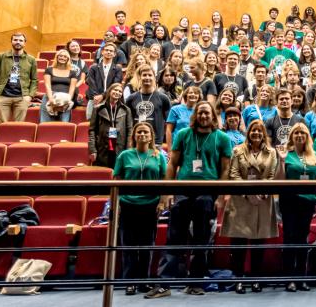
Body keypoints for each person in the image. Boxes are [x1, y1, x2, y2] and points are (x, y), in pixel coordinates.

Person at [147, 101, 233, 298]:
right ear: (195, 115)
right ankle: (164, 284)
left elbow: (226, 169)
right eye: (200, 113)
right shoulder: (184, 134)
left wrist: (221, 196)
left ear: (213, 116)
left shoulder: (221, 138)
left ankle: (195, 282)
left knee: (202, 239)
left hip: (208, 192)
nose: (203, 116)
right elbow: (172, 164)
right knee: (174, 237)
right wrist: (167, 192)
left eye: (207, 113)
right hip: (183, 190)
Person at [223, 119, 278, 294]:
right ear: (248, 133)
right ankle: (238, 278)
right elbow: (233, 173)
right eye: (253, 131)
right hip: (241, 200)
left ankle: (256, 278)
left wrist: (261, 193)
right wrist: (248, 193)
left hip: (262, 201)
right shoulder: (238, 150)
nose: (256, 134)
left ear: (264, 134)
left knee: (258, 242)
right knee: (238, 242)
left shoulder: (272, 152)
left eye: (259, 131)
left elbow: (271, 175)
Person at [113, 122, 167, 296]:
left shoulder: (158, 156)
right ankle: (130, 282)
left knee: (146, 245)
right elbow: (116, 180)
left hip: (150, 205)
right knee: (128, 245)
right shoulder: (124, 155)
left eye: (146, 132)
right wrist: (116, 203)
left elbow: (165, 179)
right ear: (134, 136)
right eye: (139, 132)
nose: (142, 134)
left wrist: (162, 202)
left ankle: (143, 281)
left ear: (151, 136)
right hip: (128, 205)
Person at [278, 122, 316, 292]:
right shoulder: (286, 154)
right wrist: (281, 162)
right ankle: (289, 278)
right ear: (292, 137)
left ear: (307, 136)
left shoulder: (315, 156)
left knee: (303, 238)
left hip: (308, 202)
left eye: (302, 133)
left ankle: (301, 277)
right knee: (289, 237)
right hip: (290, 200)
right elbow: (279, 180)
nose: (299, 136)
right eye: (296, 133)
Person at [0, 32, 37, 123]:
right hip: (3, 96)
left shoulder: (31, 59)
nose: (18, 42)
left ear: (24, 43)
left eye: (20, 40)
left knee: (18, 125)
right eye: (15, 40)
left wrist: (29, 96)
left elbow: (34, 80)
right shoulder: (1, 57)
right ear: (11, 41)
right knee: (1, 124)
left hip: (22, 97)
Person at [125, 65, 172, 147]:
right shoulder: (131, 99)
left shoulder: (163, 98)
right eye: (144, 75)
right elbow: (127, 122)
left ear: (154, 78)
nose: (147, 77)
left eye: (150, 75)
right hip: (136, 142)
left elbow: (169, 124)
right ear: (139, 78)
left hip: (156, 143)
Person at [88, 83, 133, 168]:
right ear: (109, 91)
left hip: (120, 146)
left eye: (120, 91)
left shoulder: (126, 110)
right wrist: (92, 150)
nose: (117, 92)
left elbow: (130, 131)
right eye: (115, 90)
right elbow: (92, 130)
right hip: (102, 147)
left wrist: (128, 150)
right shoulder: (98, 108)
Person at [40, 49, 78, 123]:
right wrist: (51, 99)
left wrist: (68, 100)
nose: (62, 58)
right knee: (45, 123)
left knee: (64, 122)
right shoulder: (49, 70)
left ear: (68, 59)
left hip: (66, 97)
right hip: (50, 96)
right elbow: (47, 85)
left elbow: (72, 88)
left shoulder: (73, 72)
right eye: (60, 56)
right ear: (57, 57)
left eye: (65, 56)